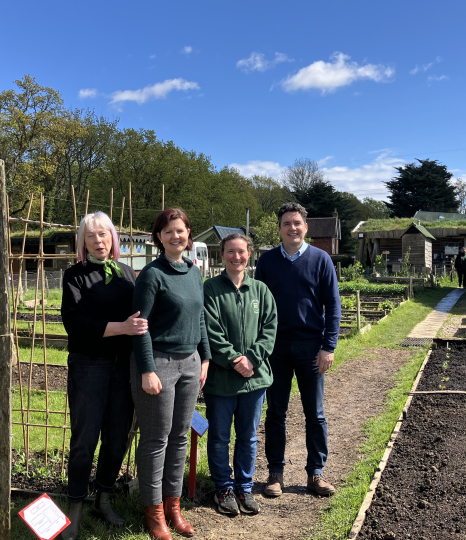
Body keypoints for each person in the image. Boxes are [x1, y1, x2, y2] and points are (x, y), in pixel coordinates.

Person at [60, 212, 148, 540]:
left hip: (123, 367)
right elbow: (74, 323)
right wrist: (120, 328)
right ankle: (75, 507)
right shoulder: (75, 276)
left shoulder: (128, 275)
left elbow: (145, 313)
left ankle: (104, 497)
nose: (99, 241)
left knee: (116, 439)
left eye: (104, 235)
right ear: (82, 242)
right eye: (91, 236)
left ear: (113, 238)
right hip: (89, 365)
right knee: (84, 441)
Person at [131, 208, 211, 540]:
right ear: (158, 238)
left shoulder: (194, 273)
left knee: (180, 438)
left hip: (191, 364)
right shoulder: (151, 275)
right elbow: (140, 327)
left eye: (180, 231)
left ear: (188, 234)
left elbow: (200, 319)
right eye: (167, 232)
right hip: (159, 364)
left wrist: (205, 358)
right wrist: (148, 370)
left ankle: (173, 507)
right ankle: (154, 514)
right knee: (155, 439)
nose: (175, 236)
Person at [255, 202, 341, 498]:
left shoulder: (321, 259)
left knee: (314, 413)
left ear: (306, 227)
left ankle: (315, 474)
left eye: (297, 223)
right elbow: (258, 306)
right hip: (275, 348)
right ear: (279, 229)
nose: (292, 228)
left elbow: (333, 306)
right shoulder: (266, 262)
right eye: (286, 224)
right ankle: (275, 473)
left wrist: (328, 346)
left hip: (310, 348)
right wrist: (259, 346)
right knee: (276, 412)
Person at [203, 233, 277, 516]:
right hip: (221, 380)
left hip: (254, 380)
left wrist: (253, 358)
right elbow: (210, 330)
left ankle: (244, 487)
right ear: (222, 254)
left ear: (250, 254)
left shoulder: (260, 290)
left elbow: (270, 328)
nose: (236, 257)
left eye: (242, 252)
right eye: (231, 252)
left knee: (248, 437)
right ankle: (223, 487)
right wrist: (235, 359)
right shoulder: (210, 289)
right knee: (220, 436)